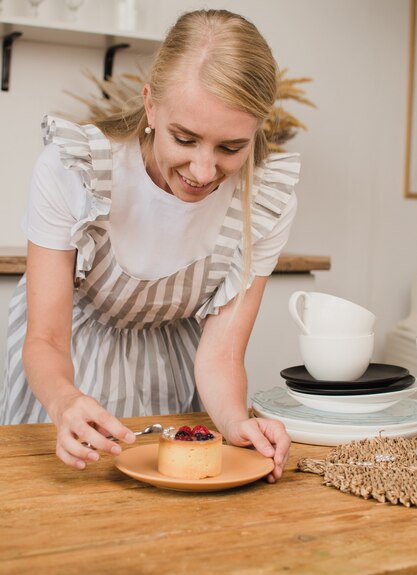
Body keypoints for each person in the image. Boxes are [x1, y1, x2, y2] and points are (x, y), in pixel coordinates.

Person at [0, 9, 300, 482]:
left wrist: (235, 421)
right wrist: (65, 401)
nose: (203, 172)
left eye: (230, 148)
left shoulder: (263, 201)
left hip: (173, 371)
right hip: (66, 368)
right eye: (185, 138)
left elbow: (221, 356)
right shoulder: (76, 170)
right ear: (151, 106)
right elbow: (46, 339)